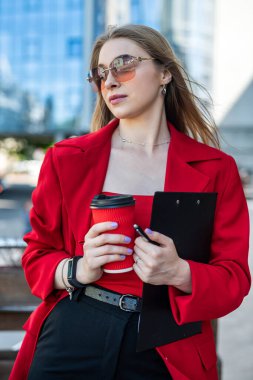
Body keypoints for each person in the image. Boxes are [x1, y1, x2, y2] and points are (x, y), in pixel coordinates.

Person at [10, 24, 250, 380]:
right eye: (100, 74)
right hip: (73, 331)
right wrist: (79, 268)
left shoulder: (216, 169)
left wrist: (179, 272)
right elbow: (36, 255)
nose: (110, 81)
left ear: (165, 72)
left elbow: (233, 280)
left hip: (166, 343)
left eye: (123, 64)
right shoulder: (67, 159)